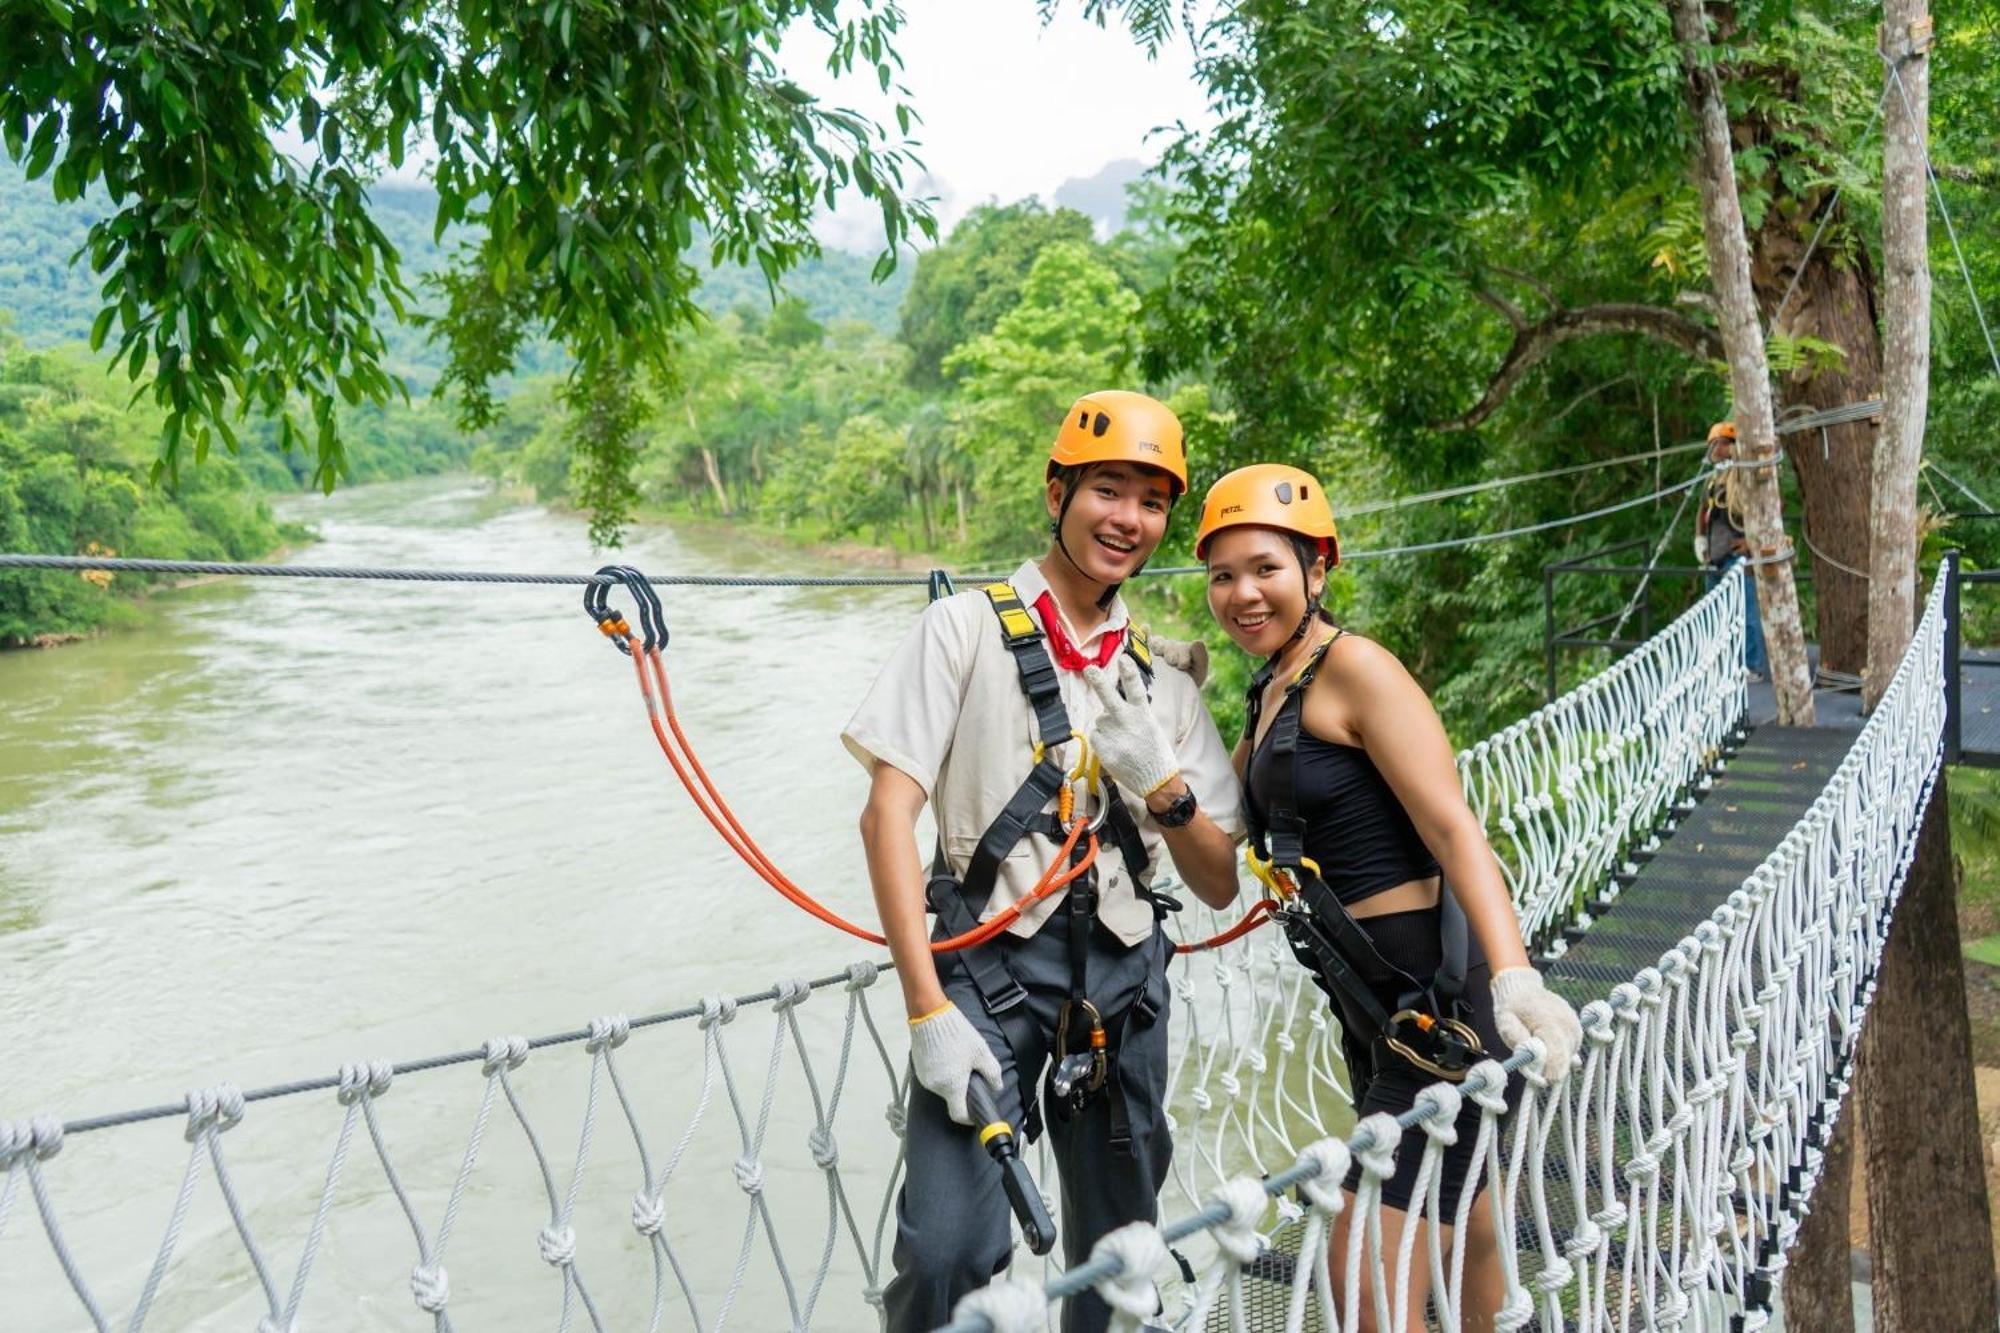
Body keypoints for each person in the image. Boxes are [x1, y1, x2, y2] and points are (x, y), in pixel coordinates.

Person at [844, 390, 1246, 1333]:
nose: (1129, 520)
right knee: (945, 1253)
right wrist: (926, 1011)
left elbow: (1219, 879)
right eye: (1108, 490)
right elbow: (885, 816)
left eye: (1151, 502)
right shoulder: (963, 631)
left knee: (1122, 1249)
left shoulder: (1164, 678)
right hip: (982, 978)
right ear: (1057, 490)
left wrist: (1163, 786)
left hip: (1123, 979)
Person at [1194, 463, 1582, 1332]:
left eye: (1266, 567)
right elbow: (1212, 856)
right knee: (1473, 1228)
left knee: (1364, 1276)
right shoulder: (1267, 693)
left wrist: (1516, 975)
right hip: (1372, 1012)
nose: (1242, 592)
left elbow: (1453, 827)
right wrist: (1167, 722)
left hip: (1443, 1009)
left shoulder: (1355, 668)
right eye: (1222, 574)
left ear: (1316, 570)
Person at [1694, 421, 1769, 681]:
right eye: (1713, 445)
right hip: (1714, 555)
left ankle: (1752, 666)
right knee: (1713, 614)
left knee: (1746, 613)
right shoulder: (1713, 481)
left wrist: (1751, 542)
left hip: (1738, 556)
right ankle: (1720, 662)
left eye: (1721, 444)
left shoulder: (1744, 477)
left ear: (1732, 447)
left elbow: (1771, 507)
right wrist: (1700, 541)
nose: (1715, 449)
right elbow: (1703, 512)